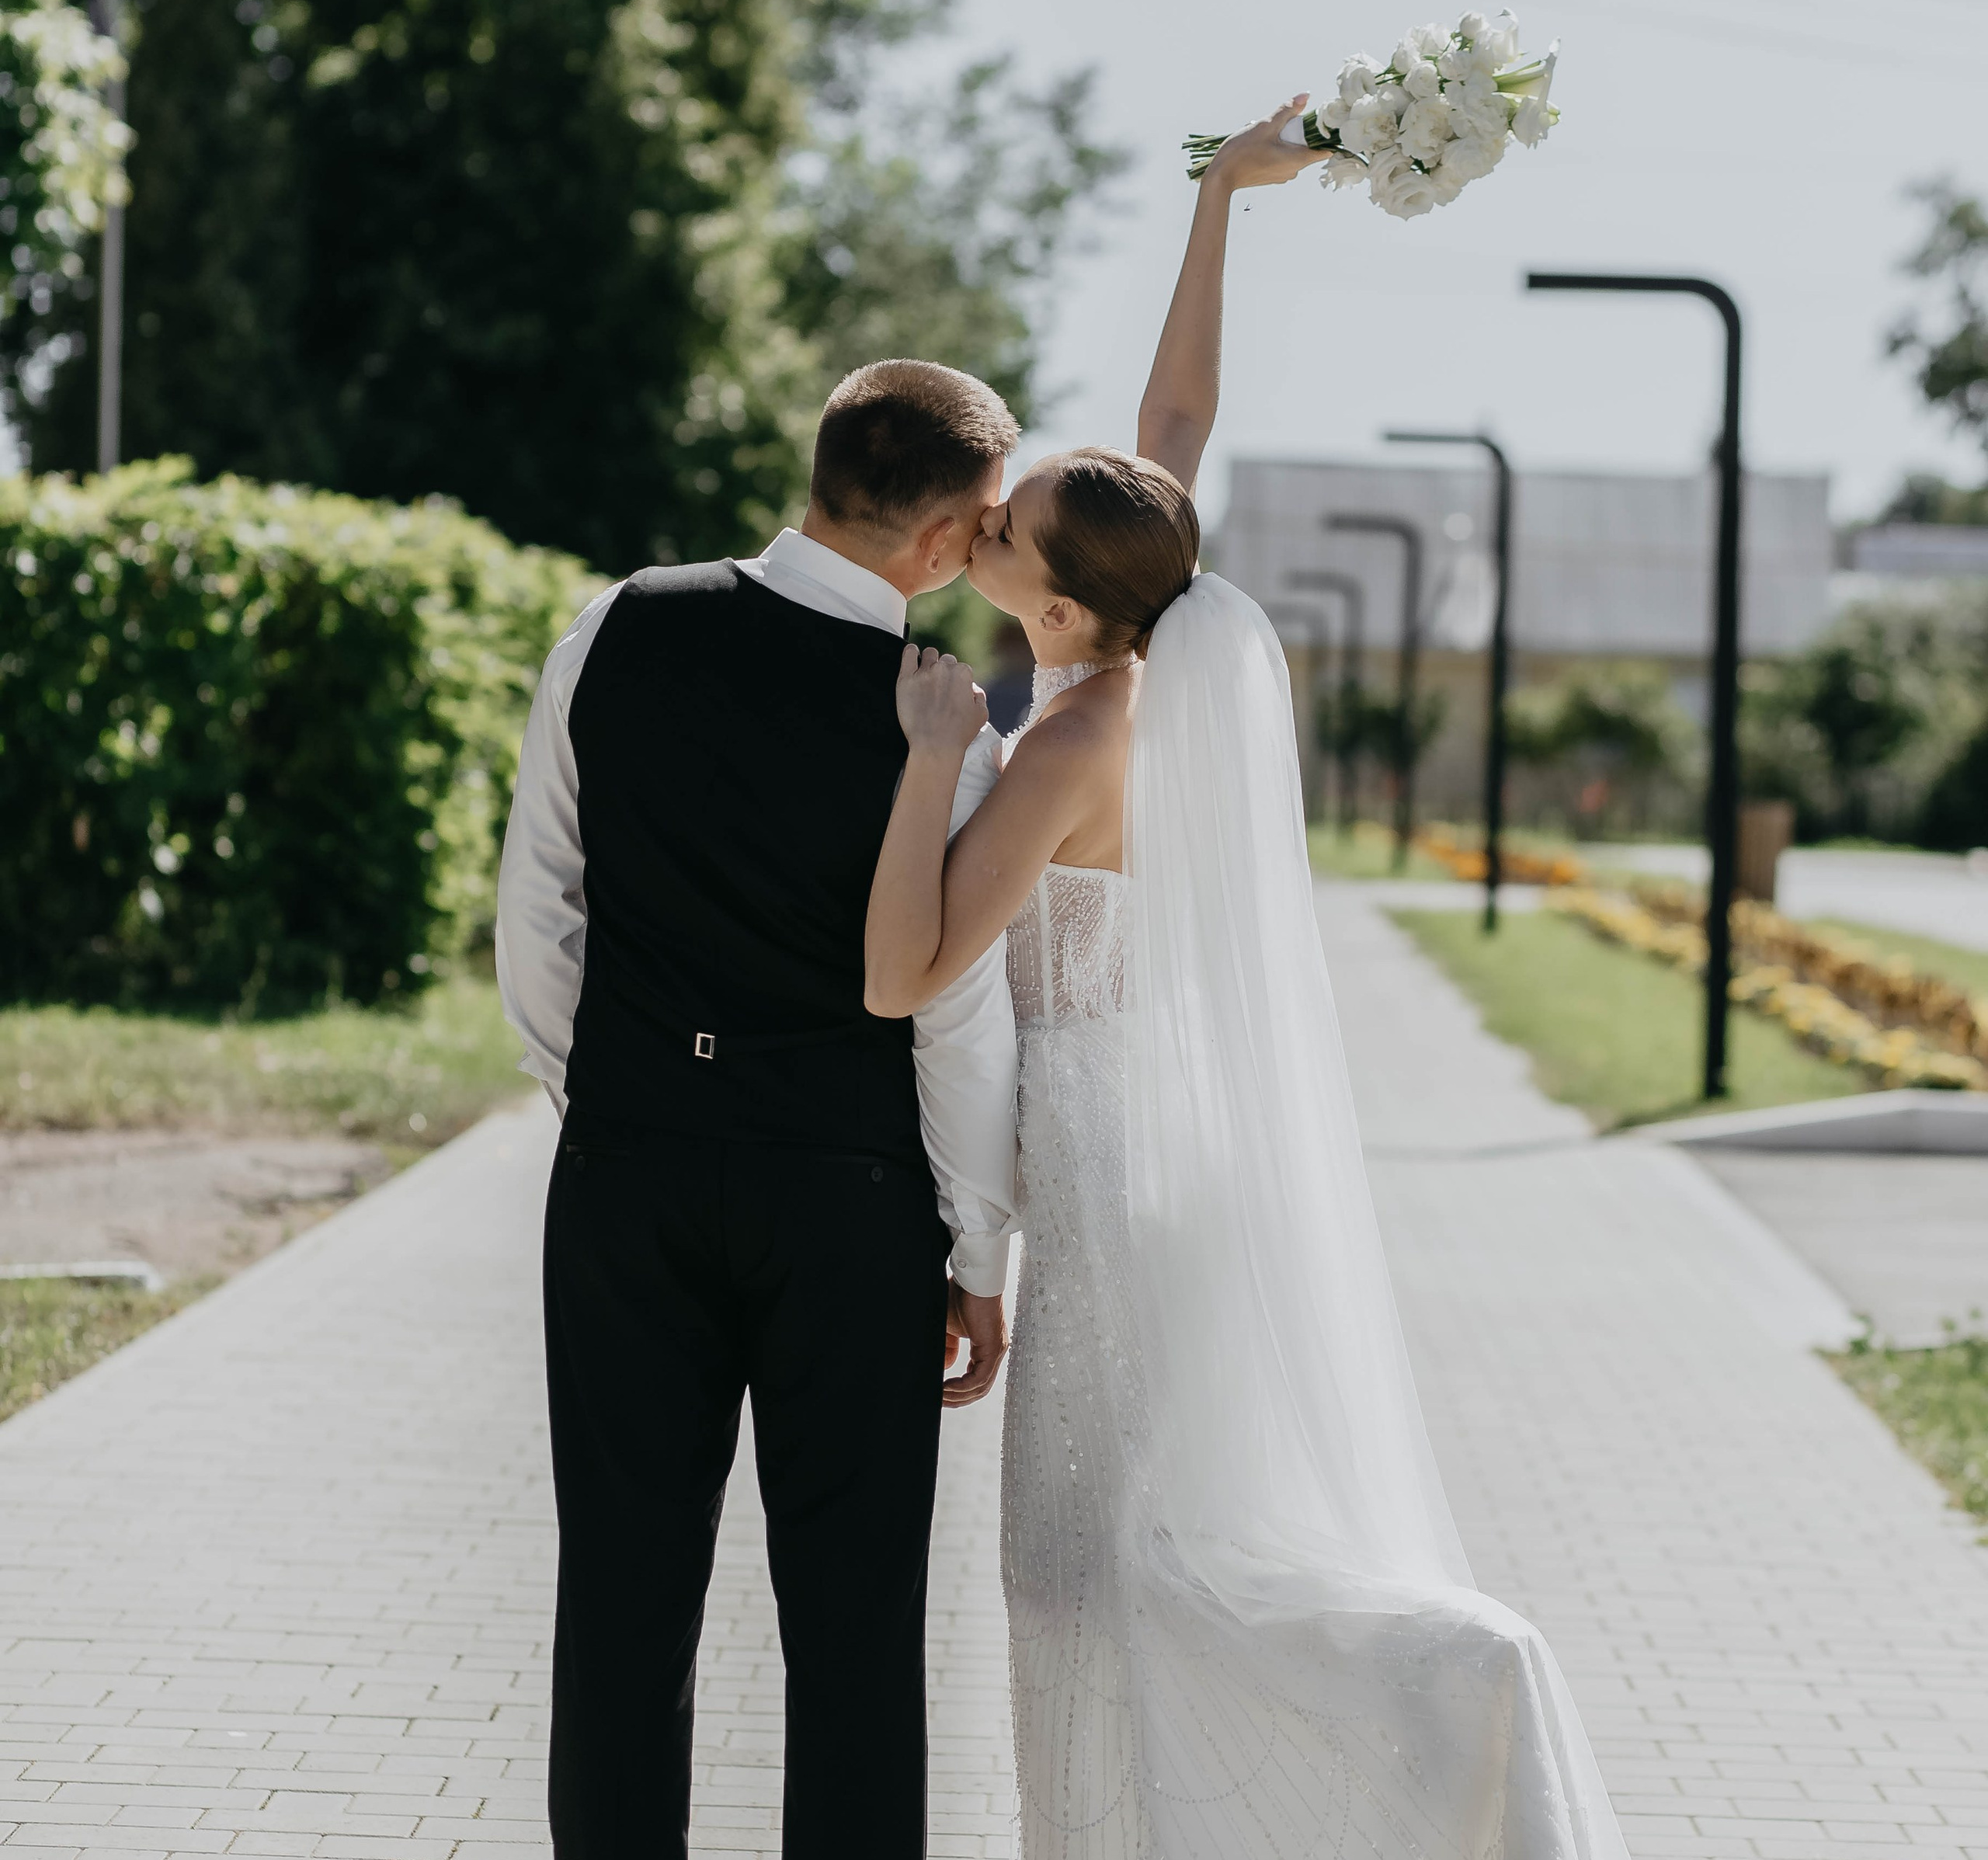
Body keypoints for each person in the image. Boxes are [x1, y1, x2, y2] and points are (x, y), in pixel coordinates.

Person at [864, 96, 1630, 1858]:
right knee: (1128, 1553)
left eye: (1003, 531)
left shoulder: (1062, 742)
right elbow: (1170, 427)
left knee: (1093, 1566)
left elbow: (910, 967)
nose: (981, 522)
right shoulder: (1128, 636)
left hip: (1121, 1182)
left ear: (1055, 606)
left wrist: (929, 751)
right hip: (1138, 1138)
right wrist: (1221, 196)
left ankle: (1455, 1697)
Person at [495, 360, 1023, 1858]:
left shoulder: (614, 624)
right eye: (985, 530)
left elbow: (540, 917)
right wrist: (978, 1253)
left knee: (619, 1603)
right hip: (847, 1208)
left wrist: (612, 1107)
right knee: (855, 1627)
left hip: (627, 1174)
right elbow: (953, 1020)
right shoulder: (947, 734)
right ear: (941, 540)